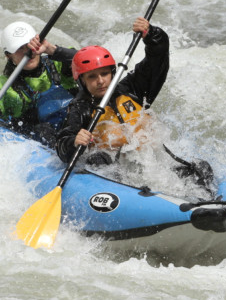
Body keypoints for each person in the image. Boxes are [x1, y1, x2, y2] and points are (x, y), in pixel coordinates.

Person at [55, 17, 213, 188]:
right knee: (97, 160)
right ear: (82, 81)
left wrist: (152, 35)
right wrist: (73, 141)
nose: (100, 81)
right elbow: (63, 143)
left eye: (104, 74)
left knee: (202, 169)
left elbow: (156, 62)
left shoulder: (132, 89)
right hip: (114, 171)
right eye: (92, 77)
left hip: (152, 163)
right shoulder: (81, 108)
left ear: (112, 73)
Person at [0, 21, 78, 147]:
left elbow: (88, 61)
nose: (27, 52)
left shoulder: (57, 64)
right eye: (19, 49)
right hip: (43, 140)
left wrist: (52, 49)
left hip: (76, 128)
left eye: (29, 46)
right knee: (43, 130)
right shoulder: (6, 87)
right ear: (8, 55)